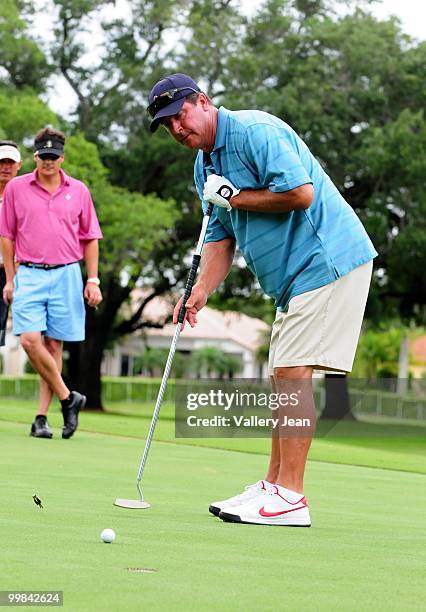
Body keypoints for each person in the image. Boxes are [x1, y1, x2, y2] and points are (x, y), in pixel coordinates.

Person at [148, 73, 377, 527]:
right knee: (282, 377)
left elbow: (300, 193)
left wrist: (234, 196)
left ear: (203, 102)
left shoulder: (256, 132)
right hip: (290, 279)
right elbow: (219, 239)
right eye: (166, 124)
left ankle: (291, 495)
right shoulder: (204, 167)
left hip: (326, 259)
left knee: (292, 374)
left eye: (179, 116)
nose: (176, 129)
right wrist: (199, 292)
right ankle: (274, 484)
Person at [0, 128, 103, 439]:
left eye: (53, 156)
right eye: (43, 156)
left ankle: (41, 417)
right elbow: (6, 236)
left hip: (67, 273)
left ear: (62, 157)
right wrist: (9, 278)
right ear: (35, 157)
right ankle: (68, 397)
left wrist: (93, 279)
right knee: (30, 340)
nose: (48, 162)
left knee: (54, 344)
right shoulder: (17, 188)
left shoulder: (79, 190)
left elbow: (91, 238)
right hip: (28, 272)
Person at [0, 141, 22, 347]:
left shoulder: (25, 197)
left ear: (19, 165)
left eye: (10, 162)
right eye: (1, 161)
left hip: (17, 271)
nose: (5, 166)